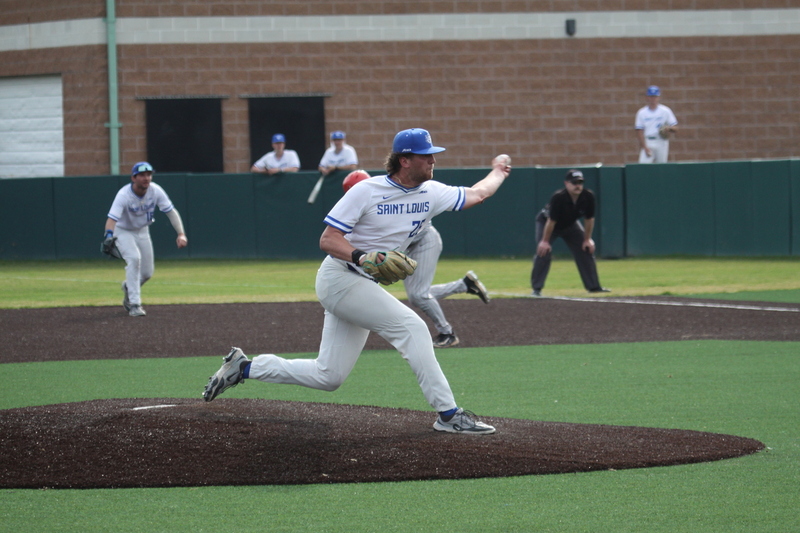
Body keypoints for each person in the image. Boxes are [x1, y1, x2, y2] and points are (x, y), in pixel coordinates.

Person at [203, 128, 512, 435]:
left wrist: (498, 171)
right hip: (340, 278)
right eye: (426, 155)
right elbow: (328, 239)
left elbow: (479, 193)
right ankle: (448, 414)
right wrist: (362, 256)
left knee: (329, 376)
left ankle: (244, 367)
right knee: (412, 327)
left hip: (361, 286)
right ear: (405, 160)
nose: (433, 160)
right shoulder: (367, 190)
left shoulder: (432, 192)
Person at [342, 170, 490, 349]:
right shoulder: (367, 202)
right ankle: (465, 285)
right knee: (417, 295)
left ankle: (447, 333)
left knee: (419, 295)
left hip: (424, 241)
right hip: (407, 246)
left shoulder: (384, 197)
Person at [104, 162, 188, 317]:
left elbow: (171, 212)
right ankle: (134, 304)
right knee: (134, 259)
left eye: (149, 174)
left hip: (143, 230)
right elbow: (112, 218)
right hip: (123, 231)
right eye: (142, 175)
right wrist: (108, 235)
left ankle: (129, 287)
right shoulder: (124, 194)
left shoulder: (155, 191)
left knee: (147, 273)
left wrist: (181, 233)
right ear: (133, 178)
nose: (146, 178)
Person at [530, 169, 609, 297]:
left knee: (586, 249)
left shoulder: (587, 196)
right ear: (566, 183)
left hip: (570, 225)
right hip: (548, 224)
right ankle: (536, 289)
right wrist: (544, 241)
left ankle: (594, 286)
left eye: (580, 182)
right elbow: (551, 221)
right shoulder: (559, 197)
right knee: (543, 251)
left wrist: (587, 239)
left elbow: (589, 219)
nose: (578, 185)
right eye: (574, 182)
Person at [635, 85, 678, 163]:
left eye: (655, 96)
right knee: (643, 166)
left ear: (659, 97)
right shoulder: (642, 112)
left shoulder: (665, 111)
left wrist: (668, 128)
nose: (653, 99)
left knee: (661, 166)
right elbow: (639, 131)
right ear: (647, 97)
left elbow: (675, 127)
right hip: (648, 141)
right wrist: (644, 147)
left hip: (661, 141)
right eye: (651, 96)